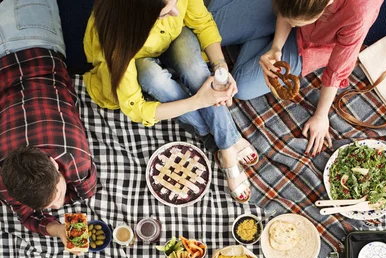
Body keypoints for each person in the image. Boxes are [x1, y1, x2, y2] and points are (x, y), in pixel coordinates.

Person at [83, 0, 259, 204]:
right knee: (154, 79)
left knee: (195, 71)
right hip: (135, 52)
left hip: (174, 38)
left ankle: (223, 147)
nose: (176, 12)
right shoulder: (116, 41)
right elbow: (138, 109)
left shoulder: (172, 8)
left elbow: (202, 22)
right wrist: (197, 101)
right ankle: (227, 141)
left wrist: (221, 68)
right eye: (165, 13)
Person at [208, 0, 384, 156]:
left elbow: (337, 69)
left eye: (295, 23)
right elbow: (286, 13)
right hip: (283, 8)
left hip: (311, 46)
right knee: (211, 28)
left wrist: (321, 115)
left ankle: (256, 32)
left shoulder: (360, 11)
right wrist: (276, 48)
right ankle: (259, 34)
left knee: (243, 87)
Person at [0, 0, 97, 247]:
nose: (57, 206)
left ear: (54, 163)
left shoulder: (76, 157)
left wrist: (62, 204)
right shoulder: (5, 181)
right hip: (25, 39)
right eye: (54, 204)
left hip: (37, 37)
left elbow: (87, 191)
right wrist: (59, 230)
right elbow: (28, 215)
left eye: (56, 197)